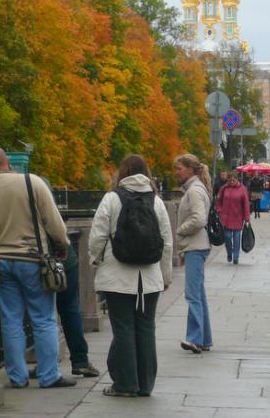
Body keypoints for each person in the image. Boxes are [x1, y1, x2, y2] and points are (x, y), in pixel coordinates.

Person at [0, 147, 77, 389]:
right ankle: (49, 376)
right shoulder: (32, 183)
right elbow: (54, 222)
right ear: (7, 162)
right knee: (43, 319)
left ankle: (17, 377)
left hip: (1, 263)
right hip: (33, 260)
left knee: (11, 320)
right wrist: (62, 245)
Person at [88, 155, 173, 398]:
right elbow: (166, 242)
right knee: (146, 328)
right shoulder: (156, 201)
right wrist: (165, 276)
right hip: (149, 278)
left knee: (123, 328)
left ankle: (126, 384)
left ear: (122, 172)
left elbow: (97, 237)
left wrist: (95, 261)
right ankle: (145, 384)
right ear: (146, 172)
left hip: (117, 276)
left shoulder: (112, 198)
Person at [36, 179, 100, 380]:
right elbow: (59, 233)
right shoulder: (42, 198)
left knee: (37, 315)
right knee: (69, 309)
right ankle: (80, 361)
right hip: (61, 261)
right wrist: (64, 245)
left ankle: (39, 364)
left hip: (30, 261)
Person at [174, 153, 213, 354]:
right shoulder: (196, 189)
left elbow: (199, 219)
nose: (176, 172)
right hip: (196, 246)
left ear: (190, 170)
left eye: (179, 168)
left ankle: (195, 339)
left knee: (192, 295)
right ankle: (204, 339)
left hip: (196, 247)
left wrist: (180, 230)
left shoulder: (194, 191)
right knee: (198, 294)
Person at [215, 172, 251, 264]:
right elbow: (218, 200)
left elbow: (246, 204)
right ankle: (229, 253)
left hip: (238, 217)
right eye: (230, 179)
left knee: (236, 237)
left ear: (237, 179)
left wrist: (247, 218)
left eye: (233, 179)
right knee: (227, 237)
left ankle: (236, 257)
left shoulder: (243, 189)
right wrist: (219, 210)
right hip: (226, 217)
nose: (231, 181)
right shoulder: (224, 188)